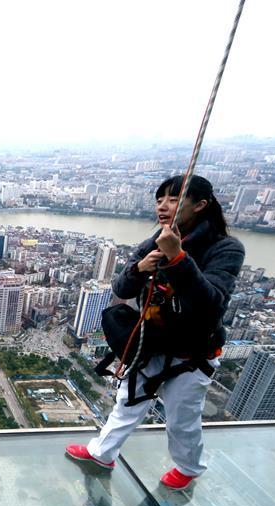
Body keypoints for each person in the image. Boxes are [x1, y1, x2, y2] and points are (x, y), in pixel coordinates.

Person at [66, 175, 245, 489]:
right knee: (127, 402)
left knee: (182, 418)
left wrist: (177, 257)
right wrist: (138, 269)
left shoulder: (225, 248)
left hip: (192, 353)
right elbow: (121, 288)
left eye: (173, 199)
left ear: (201, 205)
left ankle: (189, 468)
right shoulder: (154, 240)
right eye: (160, 199)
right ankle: (102, 453)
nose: (163, 206)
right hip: (152, 342)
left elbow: (212, 304)